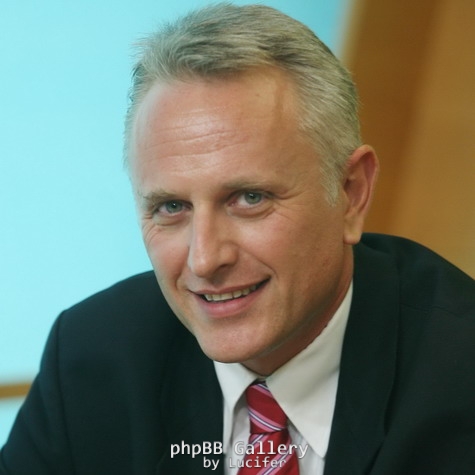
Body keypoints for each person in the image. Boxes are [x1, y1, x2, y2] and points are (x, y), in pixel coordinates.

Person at [1, 3, 474, 474]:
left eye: (249, 198)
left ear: (351, 193)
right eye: (172, 208)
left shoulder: (459, 373)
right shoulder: (92, 357)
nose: (204, 260)